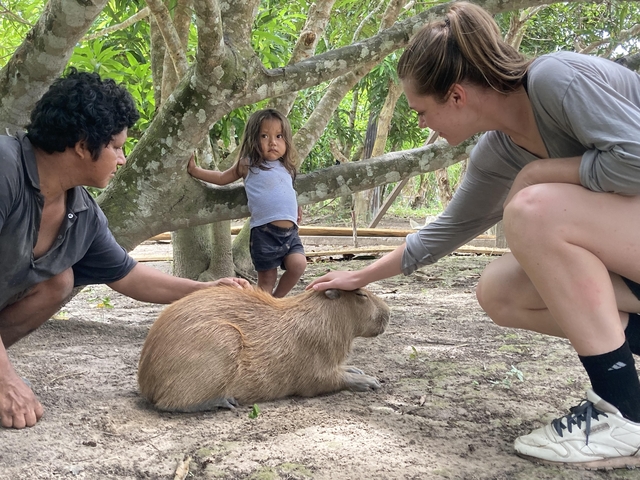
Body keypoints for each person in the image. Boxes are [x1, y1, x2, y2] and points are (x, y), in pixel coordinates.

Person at [307, 1, 640, 469]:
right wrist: (360, 277)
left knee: (531, 207)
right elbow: (445, 231)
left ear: (457, 96)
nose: (422, 124)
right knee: (499, 291)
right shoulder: (498, 150)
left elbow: (636, 158)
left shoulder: (554, 79)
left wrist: (541, 173)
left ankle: (620, 408)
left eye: (423, 111)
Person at [0, 69, 250, 430]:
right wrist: (6, 379)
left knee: (60, 281)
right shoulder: (5, 169)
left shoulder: (80, 211)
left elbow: (129, 275)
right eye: (116, 147)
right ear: (84, 145)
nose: (123, 159)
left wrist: (205, 290)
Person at [188, 108, 306, 298]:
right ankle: (262, 309)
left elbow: (287, 189)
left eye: (279, 136)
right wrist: (195, 171)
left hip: (291, 232)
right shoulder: (248, 164)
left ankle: (277, 300)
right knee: (267, 278)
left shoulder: (287, 167)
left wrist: (296, 204)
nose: (272, 142)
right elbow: (221, 178)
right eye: (264, 136)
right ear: (253, 139)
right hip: (264, 232)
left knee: (299, 265)